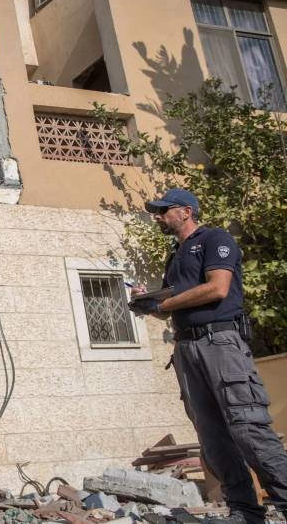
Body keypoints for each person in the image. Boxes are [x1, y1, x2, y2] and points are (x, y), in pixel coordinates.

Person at [129, 189, 287, 524]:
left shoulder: (215, 239)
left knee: (248, 428)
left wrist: (162, 303)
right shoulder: (175, 256)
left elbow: (218, 288)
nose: (157, 216)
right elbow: (166, 309)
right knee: (211, 436)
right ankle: (245, 510)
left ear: (186, 211)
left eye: (163, 210)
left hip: (220, 343)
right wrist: (147, 301)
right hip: (186, 348)